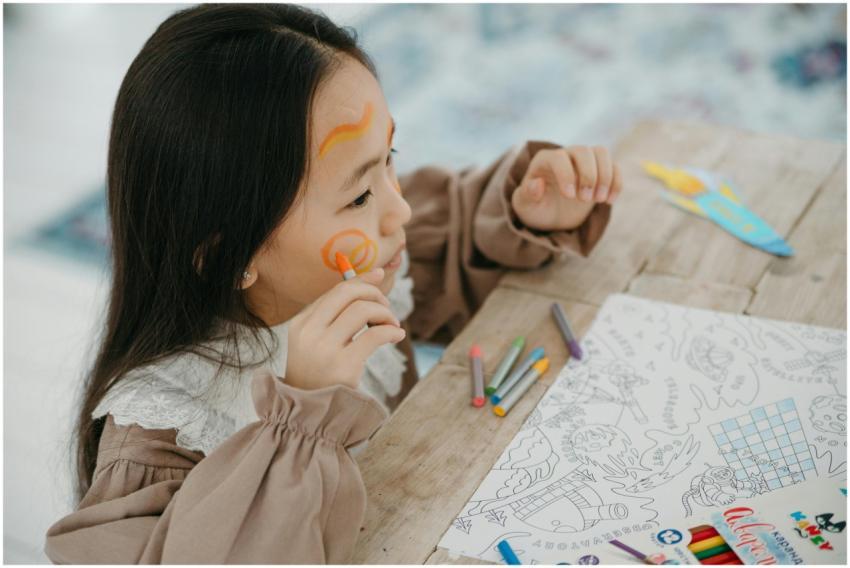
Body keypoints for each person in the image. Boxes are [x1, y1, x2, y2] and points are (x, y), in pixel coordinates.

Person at [44, 3, 619, 563]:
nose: (402, 212)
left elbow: (455, 242)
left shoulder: (358, 264)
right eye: (361, 194)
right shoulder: (161, 434)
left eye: (388, 156)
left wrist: (529, 209)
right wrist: (299, 422)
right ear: (229, 257)